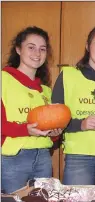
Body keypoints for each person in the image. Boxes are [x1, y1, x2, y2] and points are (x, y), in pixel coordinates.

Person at [51, 25, 95, 185]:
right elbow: (54, 119)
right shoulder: (68, 75)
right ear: (87, 46)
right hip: (79, 156)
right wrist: (80, 124)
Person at [1, 26, 62, 193]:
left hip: (43, 157)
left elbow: (51, 134)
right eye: (31, 47)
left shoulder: (46, 91)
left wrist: (55, 133)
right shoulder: (3, 80)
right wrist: (25, 130)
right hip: (12, 158)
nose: (37, 53)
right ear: (18, 49)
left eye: (42, 49)